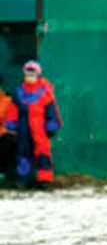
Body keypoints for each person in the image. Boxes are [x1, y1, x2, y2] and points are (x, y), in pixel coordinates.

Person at [6, 60, 61, 189]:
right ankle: (24, 180)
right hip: (24, 130)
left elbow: (51, 112)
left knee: (43, 154)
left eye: (32, 75)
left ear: (38, 76)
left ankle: (44, 180)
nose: (30, 78)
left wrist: (51, 126)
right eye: (27, 75)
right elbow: (13, 111)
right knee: (24, 154)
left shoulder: (45, 93)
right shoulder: (19, 93)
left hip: (40, 130)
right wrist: (11, 125)